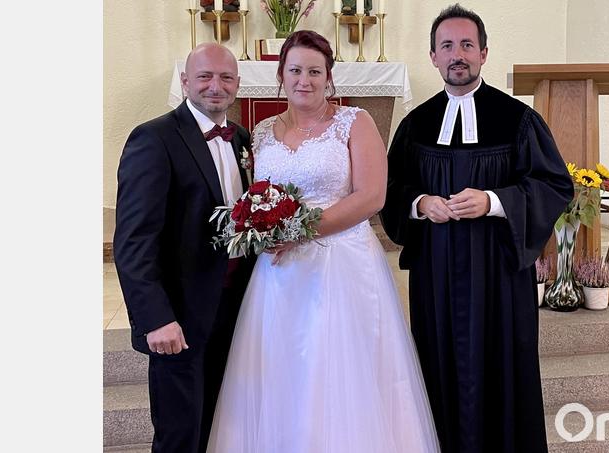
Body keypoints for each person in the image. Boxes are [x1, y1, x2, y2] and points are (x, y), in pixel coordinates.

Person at [205, 30, 441, 453]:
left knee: (342, 370)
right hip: (280, 275)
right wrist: (264, 230)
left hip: (344, 264)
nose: (304, 80)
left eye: (315, 71)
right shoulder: (259, 133)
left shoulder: (355, 122)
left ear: (329, 78)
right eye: (295, 70)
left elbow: (372, 196)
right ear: (281, 76)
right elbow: (259, 197)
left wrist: (295, 231)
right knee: (283, 368)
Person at [380, 4, 575, 453]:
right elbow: (390, 188)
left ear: (485, 53)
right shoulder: (416, 125)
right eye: (447, 46)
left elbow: (553, 183)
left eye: (467, 45)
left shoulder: (518, 119)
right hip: (438, 275)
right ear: (432, 56)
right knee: (439, 362)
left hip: (499, 273)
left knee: (501, 363)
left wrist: (494, 201)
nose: (457, 55)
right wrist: (419, 202)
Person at [114, 43, 254, 453]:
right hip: (181, 314)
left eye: (226, 78)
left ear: (238, 85)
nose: (216, 86)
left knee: (217, 421)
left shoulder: (241, 138)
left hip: (233, 305)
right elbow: (134, 241)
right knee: (179, 433)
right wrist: (155, 318)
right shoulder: (154, 138)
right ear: (185, 81)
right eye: (205, 77)